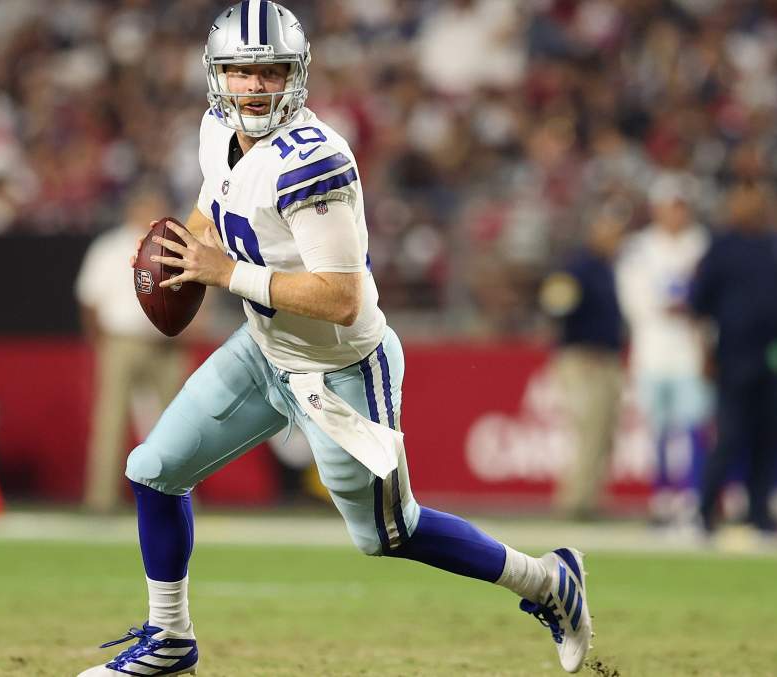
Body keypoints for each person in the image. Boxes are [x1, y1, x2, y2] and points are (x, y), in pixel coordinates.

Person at [77, 4, 593, 676]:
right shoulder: (217, 129)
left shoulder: (313, 161)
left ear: (296, 75)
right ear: (216, 74)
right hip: (265, 348)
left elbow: (341, 298)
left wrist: (224, 271)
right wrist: (178, 250)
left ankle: (548, 580)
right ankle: (170, 638)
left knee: (389, 533)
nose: (255, 86)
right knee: (153, 469)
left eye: (271, 71)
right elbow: (212, 203)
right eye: (240, 71)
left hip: (340, 369)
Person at [689, 181, 777, 537]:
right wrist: (704, 353)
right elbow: (699, 306)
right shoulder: (721, 247)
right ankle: (706, 510)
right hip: (733, 356)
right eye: (745, 202)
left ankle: (759, 512)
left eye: (757, 202)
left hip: (776, 356)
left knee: (769, 436)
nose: (752, 209)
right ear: (733, 207)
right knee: (729, 436)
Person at [76, 182, 188, 513]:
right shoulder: (110, 247)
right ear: (132, 210)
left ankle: (177, 496)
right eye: (146, 205)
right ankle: (101, 499)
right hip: (121, 339)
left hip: (166, 343)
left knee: (179, 421)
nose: (151, 212)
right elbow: (90, 299)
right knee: (111, 421)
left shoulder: (173, 246)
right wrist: (100, 342)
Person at [616, 175, 711, 526]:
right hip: (653, 348)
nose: (676, 213)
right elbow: (631, 299)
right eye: (671, 206)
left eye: (680, 206)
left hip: (689, 348)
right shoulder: (640, 247)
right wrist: (663, 306)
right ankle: (662, 496)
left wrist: (692, 309)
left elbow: (710, 293)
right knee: (658, 427)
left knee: (693, 425)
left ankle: (691, 495)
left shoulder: (701, 243)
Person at [539, 207, 625, 521]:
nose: (615, 240)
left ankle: (590, 499)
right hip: (584, 359)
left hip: (606, 359)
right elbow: (555, 302)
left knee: (604, 432)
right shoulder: (579, 266)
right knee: (588, 429)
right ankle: (573, 502)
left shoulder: (605, 267)